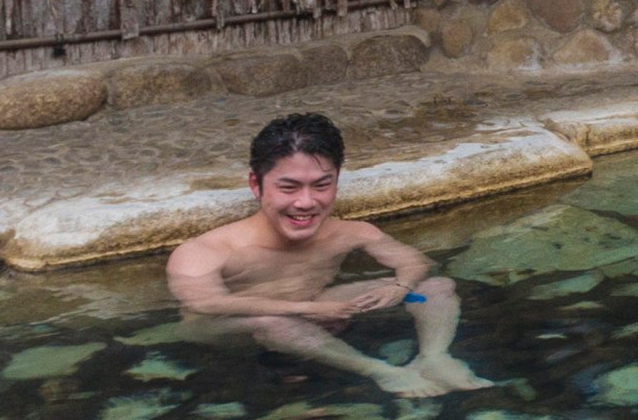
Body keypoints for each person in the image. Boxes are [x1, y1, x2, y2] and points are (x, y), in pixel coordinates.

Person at [167, 113, 486, 396]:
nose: (306, 202)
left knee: (432, 290)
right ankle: (381, 371)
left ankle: (435, 356)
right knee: (275, 323)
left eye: (321, 186)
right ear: (256, 184)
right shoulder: (205, 250)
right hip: (230, 330)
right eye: (289, 188)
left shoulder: (350, 232)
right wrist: (302, 308)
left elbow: (415, 262)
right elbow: (206, 304)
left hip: (318, 308)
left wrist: (400, 289)